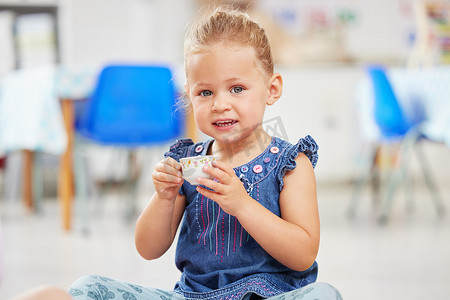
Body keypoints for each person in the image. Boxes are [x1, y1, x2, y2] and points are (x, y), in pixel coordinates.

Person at [9, 7, 342, 300]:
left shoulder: (291, 163)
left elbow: (302, 254)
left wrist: (242, 204)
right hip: (192, 297)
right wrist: (164, 198)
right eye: (205, 92)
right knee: (89, 285)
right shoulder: (187, 162)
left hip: (268, 295)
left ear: (272, 89)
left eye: (237, 88)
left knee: (325, 295)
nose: (220, 103)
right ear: (190, 96)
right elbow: (148, 249)